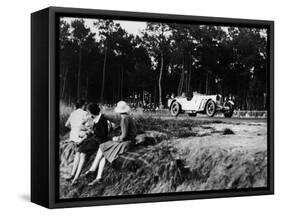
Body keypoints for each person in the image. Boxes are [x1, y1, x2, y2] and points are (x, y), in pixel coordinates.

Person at [84, 101, 137, 186]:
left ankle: (93, 169)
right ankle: (98, 176)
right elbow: (116, 121)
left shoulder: (124, 118)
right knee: (104, 149)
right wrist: (104, 116)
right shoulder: (126, 116)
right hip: (130, 140)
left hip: (127, 142)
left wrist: (116, 138)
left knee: (103, 146)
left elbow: (124, 136)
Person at [67, 103, 109, 185]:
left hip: (99, 141)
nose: (89, 114)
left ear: (93, 112)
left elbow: (104, 134)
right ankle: (73, 175)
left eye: (90, 112)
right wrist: (88, 133)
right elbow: (94, 132)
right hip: (94, 139)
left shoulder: (102, 119)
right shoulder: (96, 118)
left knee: (82, 153)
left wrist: (93, 131)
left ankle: (76, 177)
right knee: (79, 152)